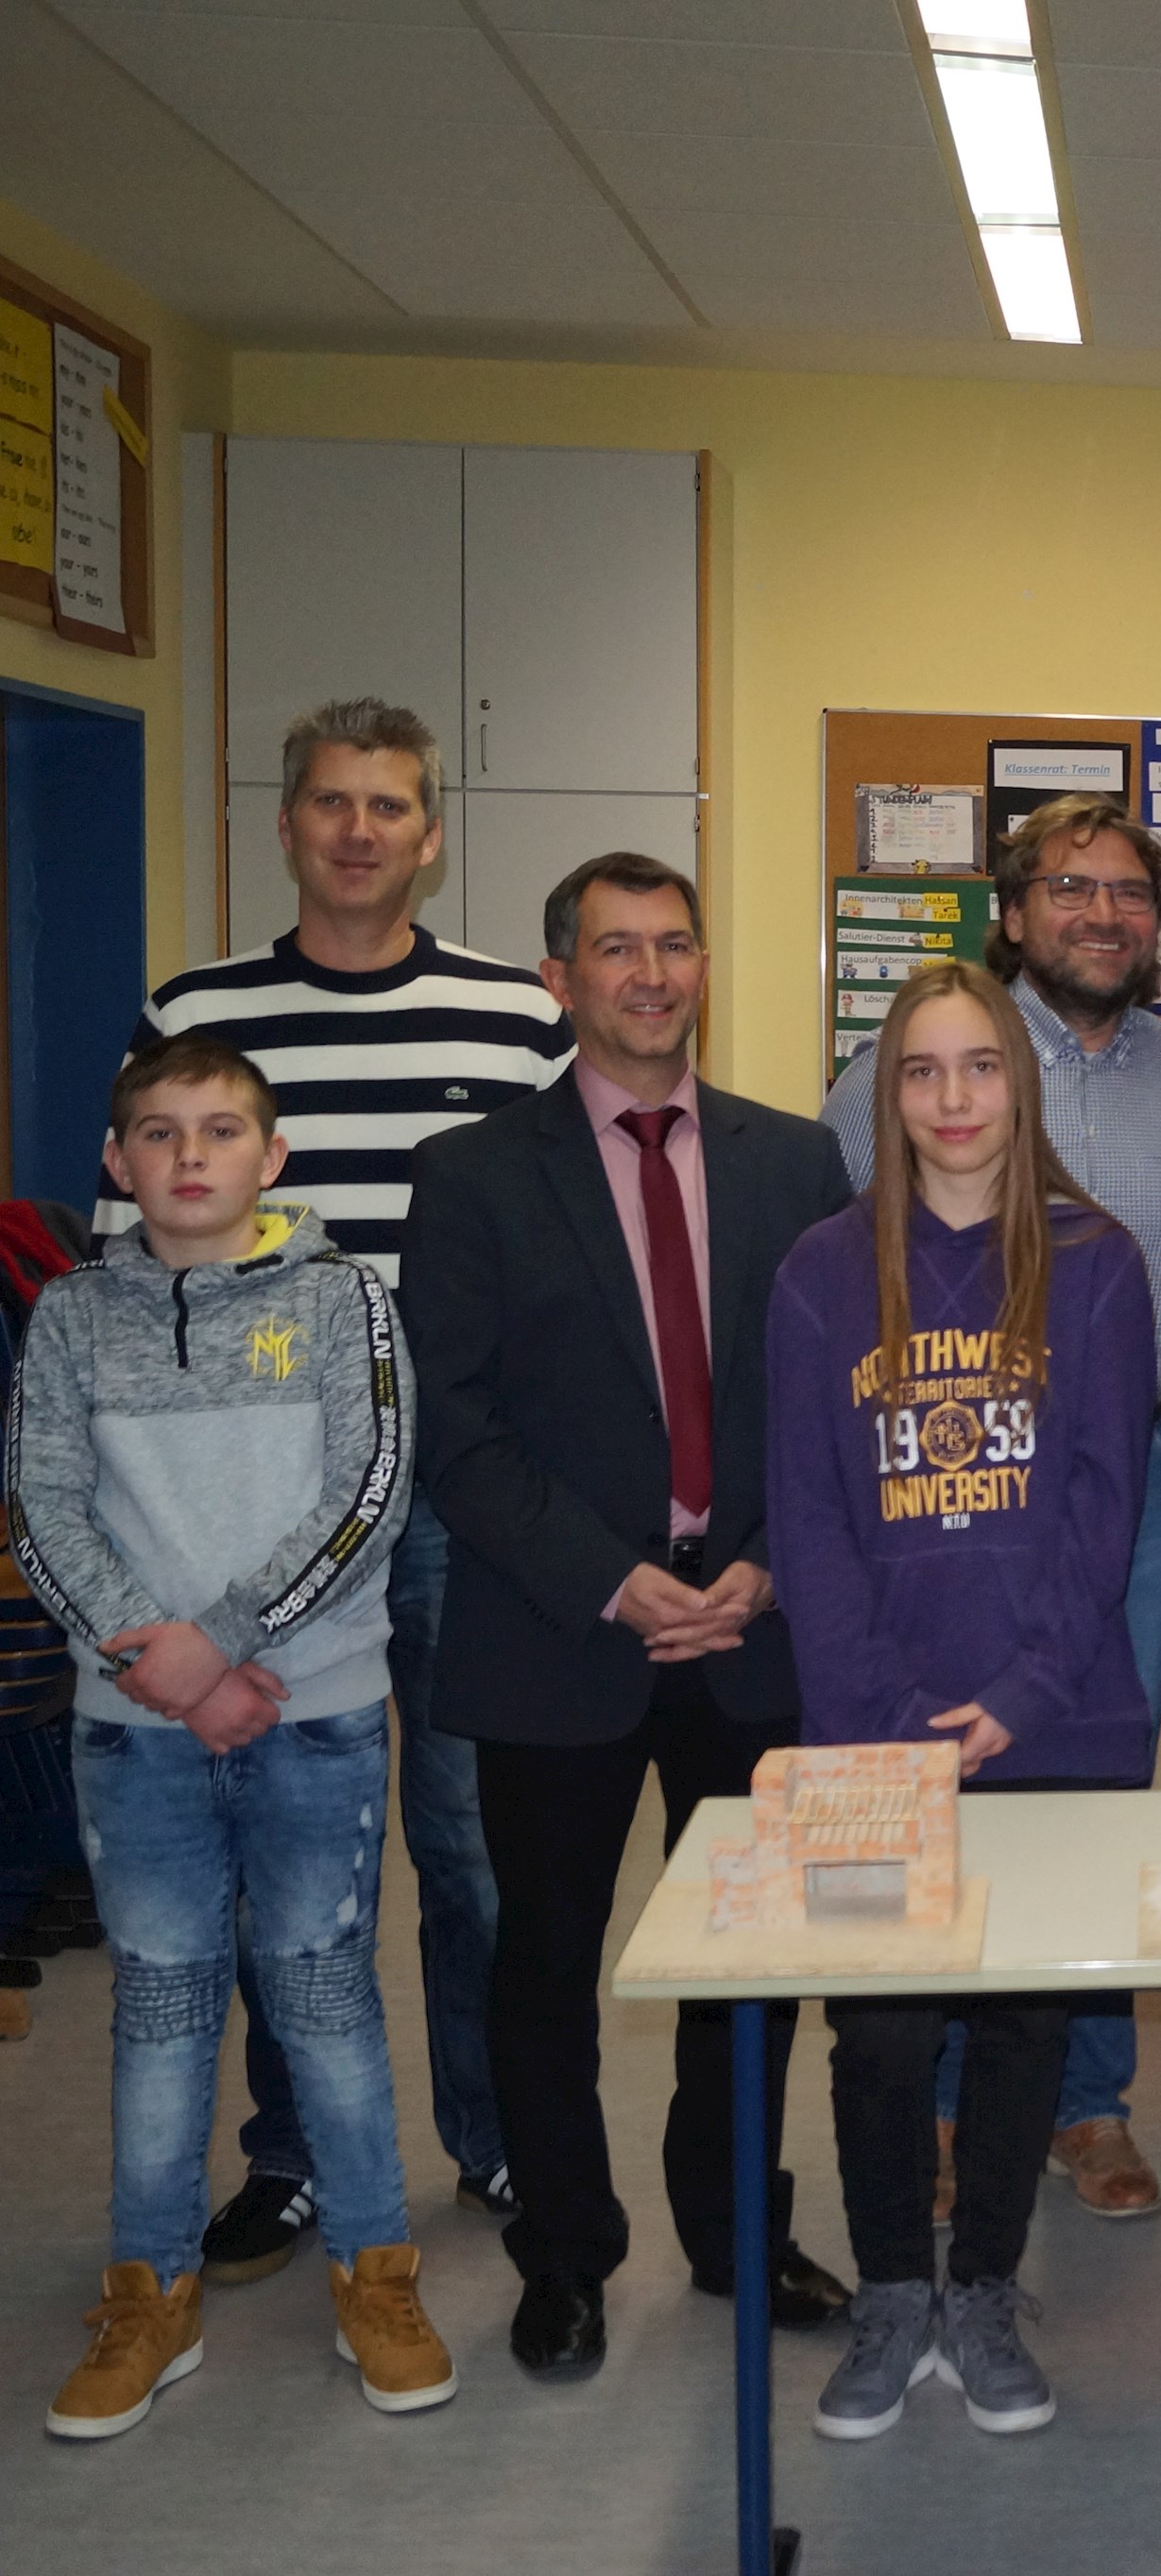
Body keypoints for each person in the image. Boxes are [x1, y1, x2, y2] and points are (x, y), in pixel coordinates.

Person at [97, 698, 571, 2276]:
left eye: (387, 806)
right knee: (278, 1850)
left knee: (465, 1845)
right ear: (285, 825)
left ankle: (496, 2139)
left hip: (456, 1499)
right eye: (328, 803)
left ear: (431, 833)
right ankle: (292, 2151)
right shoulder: (198, 1007)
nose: (358, 829)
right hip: (247, 1510)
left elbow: (572, 1244)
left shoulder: (514, 1015)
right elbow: (131, 1268)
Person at [401, 853, 853, 2383]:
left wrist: (776, 1558)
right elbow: (453, 1426)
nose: (650, 972)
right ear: (560, 979)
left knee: (750, 1970)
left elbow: (840, 1396)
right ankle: (568, 2256)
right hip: (561, 1633)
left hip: (755, 1627)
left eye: (674, 944)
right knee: (547, 1964)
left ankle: (736, 2235)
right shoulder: (469, 1177)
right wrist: (608, 1573)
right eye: (615, 948)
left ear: (705, 964)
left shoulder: (796, 1164)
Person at [20, 1035, 453, 2437]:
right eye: (157, 1129)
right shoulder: (74, 1318)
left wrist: (230, 1642)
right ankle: (150, 2287)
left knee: (325, 1992)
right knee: (158, 2006)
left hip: (313, 1715)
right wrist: (171, 1665)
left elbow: (371, 1490)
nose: (188, 1153)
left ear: (272, 1159)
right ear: (116, 1160)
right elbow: (42, 1507)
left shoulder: (346, 1301)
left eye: (220, 1130)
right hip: (134, 1722)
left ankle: (374, 2268)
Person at [820, 791, 1161, 2225]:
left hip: (1132, 1465)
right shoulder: (935, 1050)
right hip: (931, 1459)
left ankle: (1088, 2093)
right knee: (935, 1746)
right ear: (1012, 909)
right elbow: (843, 1271)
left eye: (1131, 891)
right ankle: (944, 2095)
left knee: (1085, 1770)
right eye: (1071, 885)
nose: (1104, 913)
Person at [772, 964, 1156, 2442]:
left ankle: (983, 2281)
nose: (951, 1099)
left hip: (1049, 1718)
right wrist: (885, 1709)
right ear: (888, 1093)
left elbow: (1104, 1501)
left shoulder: (1097, 1261)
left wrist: (1019, 1691)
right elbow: (807, 1519)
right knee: (877, 2029)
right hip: (872, 1729)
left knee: (1020, 2015)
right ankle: (888, 2285)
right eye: (921, 1071)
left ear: (1021, 1083)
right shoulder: (818, 1272)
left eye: (979, 1068)